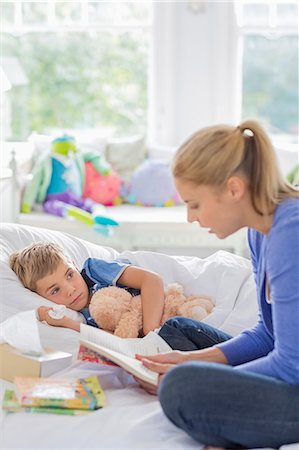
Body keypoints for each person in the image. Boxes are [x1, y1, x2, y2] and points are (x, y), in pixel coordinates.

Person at [135, 119, 299, 449]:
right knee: (182, 330)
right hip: (289, 363)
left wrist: (207, 378)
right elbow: (268, 334)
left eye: (194, 204)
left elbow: (290, 365)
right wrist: (196, 359)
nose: (190, 218)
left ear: (234, 189)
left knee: (181, 388)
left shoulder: (290, 234)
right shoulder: (260, 231)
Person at [9, 242, 165, 335]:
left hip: (169, 309)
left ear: (74, 265)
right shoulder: (82, 317)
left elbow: (152, 280)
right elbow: (114, 341)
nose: (70, 290)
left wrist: (150, 331)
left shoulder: (95, 271)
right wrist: (67, 323)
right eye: (55, 290)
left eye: (70, 275)